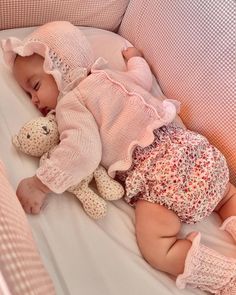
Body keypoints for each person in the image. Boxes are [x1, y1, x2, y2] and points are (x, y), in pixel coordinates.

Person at [1, 21, 236, 294]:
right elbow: (142, 78)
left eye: (35, 86)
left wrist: (41, 184)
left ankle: (227, 277)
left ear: (59, 67)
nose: (33, 100)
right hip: (197, 151)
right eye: (27, 94)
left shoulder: (72, 103)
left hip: (159, 176)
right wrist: (135, 58)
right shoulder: (109, 76)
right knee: (227, 197)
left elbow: (81, 151)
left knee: (158, 248)